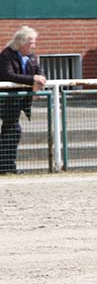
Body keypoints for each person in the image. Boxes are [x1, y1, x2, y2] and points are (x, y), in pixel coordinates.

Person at [0, 26, 46, 174]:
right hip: (6, 100)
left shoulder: (32, 56)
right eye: (31, 42)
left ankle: (7, 167)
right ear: (22, 42)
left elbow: (38, 71)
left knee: (11, 131)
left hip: (19, 100)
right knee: (12, 130)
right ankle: (7, 167)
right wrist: (32, 79)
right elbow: (8, 75)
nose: (34, 45)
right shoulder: (7, 55)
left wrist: (40, 79)